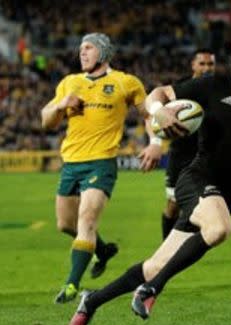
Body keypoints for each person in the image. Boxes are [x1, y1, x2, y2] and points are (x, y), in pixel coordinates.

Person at [69, 32, 231, 325]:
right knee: (220, 229)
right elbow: (158, 94)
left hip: (227, 197)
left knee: (155, 265)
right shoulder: (212, 85)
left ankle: (92, 301)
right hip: (197, 180)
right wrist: (161, 112)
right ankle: (151, 290)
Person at [41, 33, 152, 303]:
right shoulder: (70, 82)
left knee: (87, 220)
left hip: (102, 161)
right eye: (81, 49)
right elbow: (46, 121)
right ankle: (102, 251)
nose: (82, 53)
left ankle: (71, 285)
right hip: (71, 163)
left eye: (88, 48)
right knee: (65, 224)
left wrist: (155, 142)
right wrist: (60, 105)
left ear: (102, 53)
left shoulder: (125, 82)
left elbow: (148, 113)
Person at [160, 49, 216, 239]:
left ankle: (190, 245)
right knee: (173, 206)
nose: (207, 68)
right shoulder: (181, 89)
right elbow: (157, 114)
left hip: (206, 156)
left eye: (211, 64)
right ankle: (165, 245)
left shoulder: (220, 91)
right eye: (202, 64)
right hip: (181, 155)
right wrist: (156, 142)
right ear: (193, 65)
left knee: (204, 205)